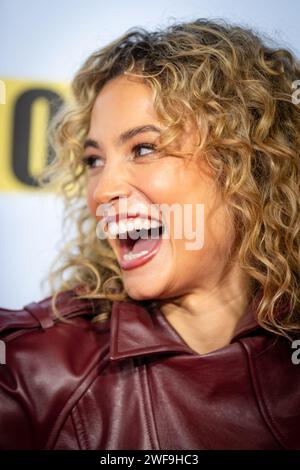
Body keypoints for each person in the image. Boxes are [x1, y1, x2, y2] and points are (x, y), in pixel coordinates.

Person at [0, 18, 299, 450]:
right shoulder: (32, 366)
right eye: (93, 160)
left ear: (248, 166)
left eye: (144, 148)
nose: (102, 191)